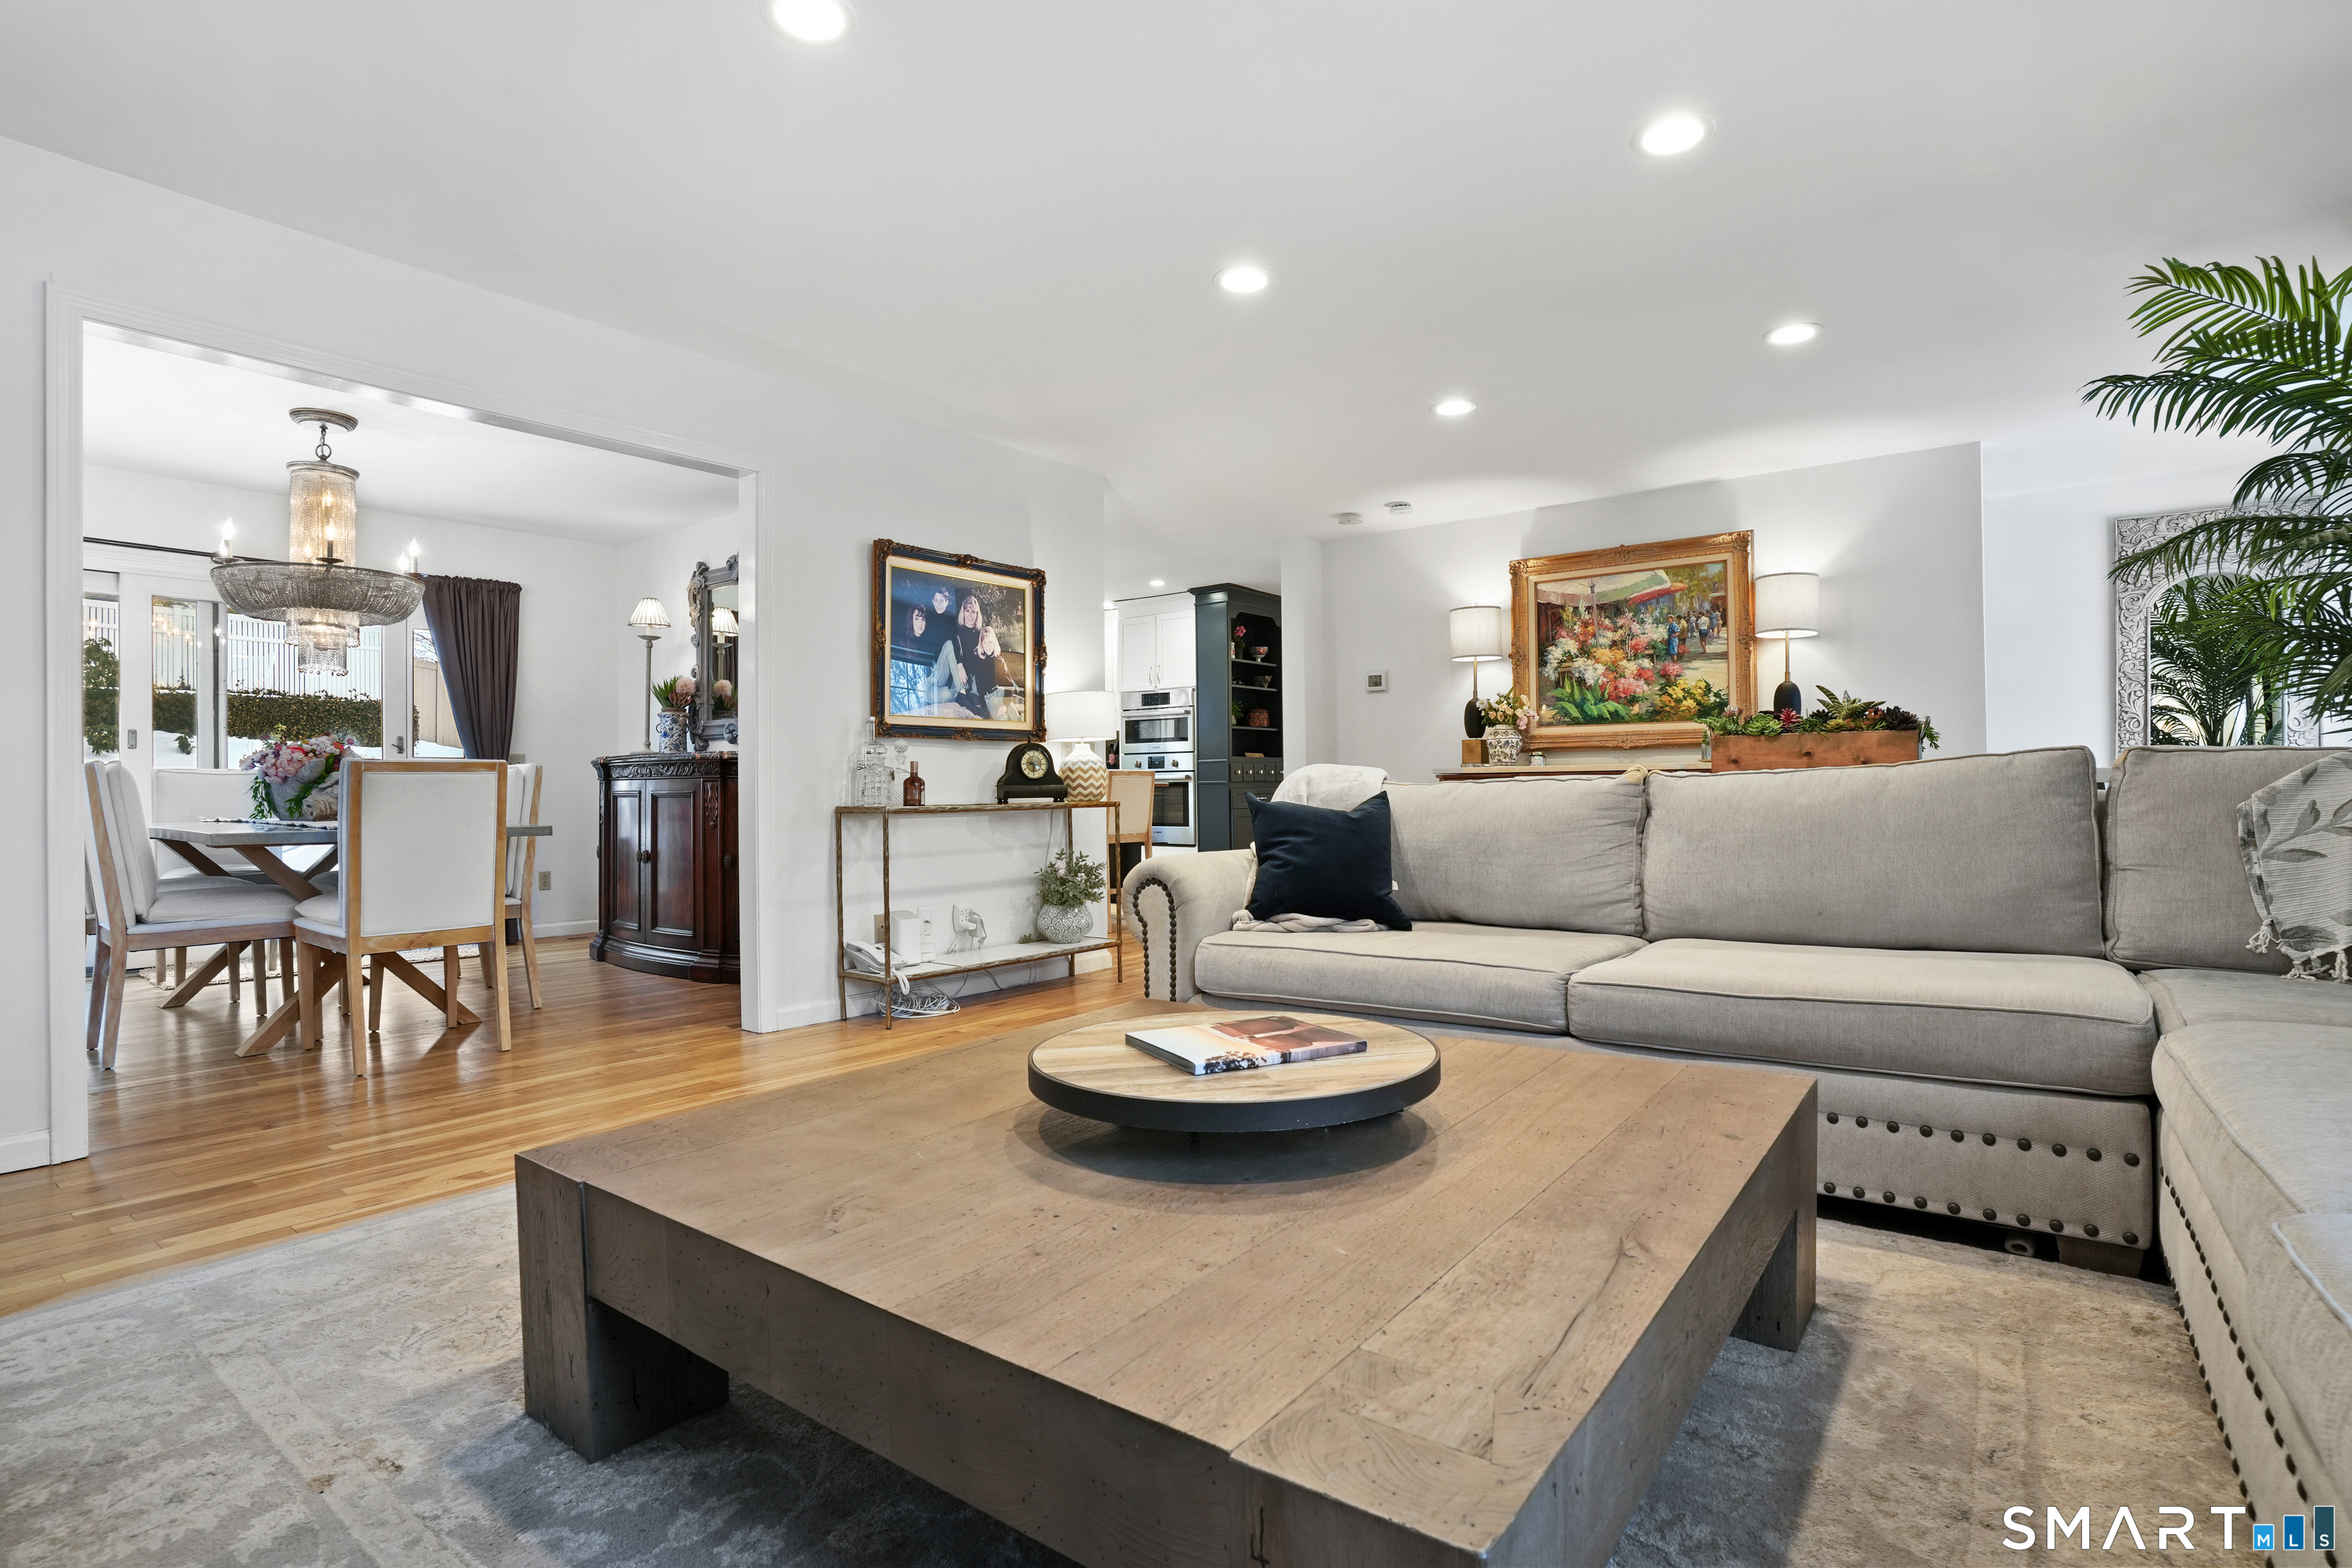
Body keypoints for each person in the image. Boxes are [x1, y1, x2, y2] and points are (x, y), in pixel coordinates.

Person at [949, 593, 1003, 716]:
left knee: (975, 698)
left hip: (973, 679)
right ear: (963, 612)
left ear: (977, 614)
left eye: (973, 612)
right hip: (959, 674)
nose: (970, 615)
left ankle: (973, 701)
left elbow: (986, 659)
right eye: (967, 610)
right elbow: (955, 649)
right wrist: (960, 666)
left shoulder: (980, 634)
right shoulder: (957, 630)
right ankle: (965, 697)